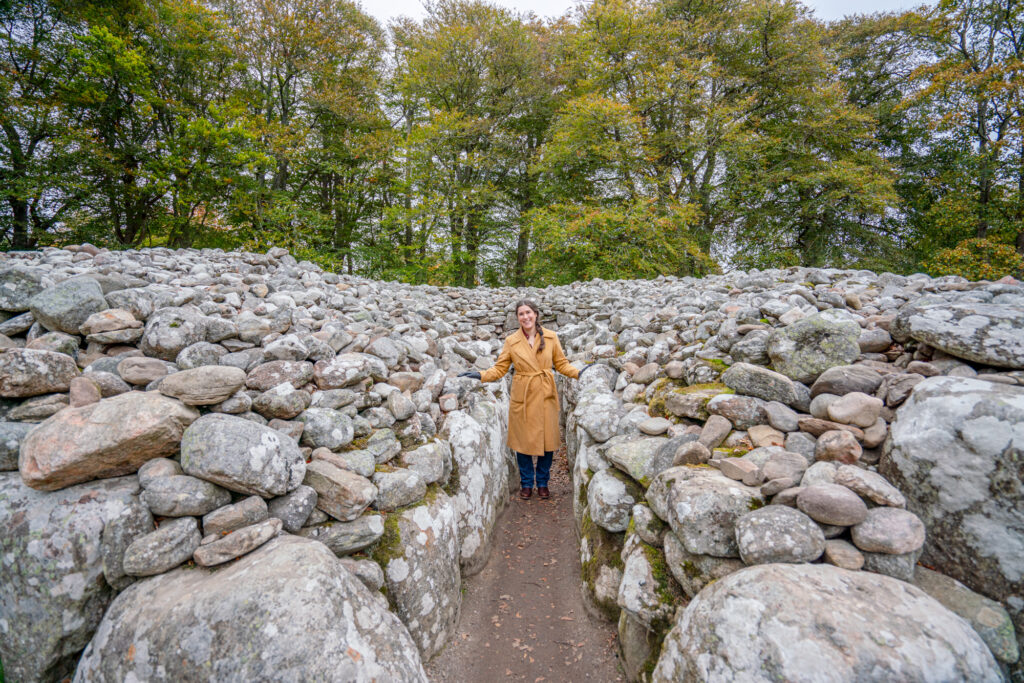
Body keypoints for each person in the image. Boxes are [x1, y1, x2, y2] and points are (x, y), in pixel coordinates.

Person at [459, 299, 593, 500]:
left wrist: (580, 373)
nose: (525, 317)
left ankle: (543, 482)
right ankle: (527, 483)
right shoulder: (511, 341)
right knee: (522, 443)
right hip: (523, 394)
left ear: (536, 314)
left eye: (528, 312)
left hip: (545, 393)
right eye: (521, 314)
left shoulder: (551, 337)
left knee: (547, 442)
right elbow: (500, 369)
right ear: (518, 318)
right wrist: (480, 375)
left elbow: (562, 364)